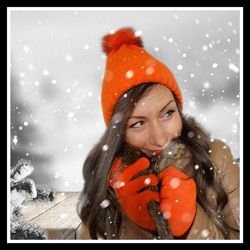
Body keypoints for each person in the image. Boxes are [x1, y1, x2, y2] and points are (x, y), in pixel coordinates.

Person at [77, 27, 240, 240]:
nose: (161, 138)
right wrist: (137, 226)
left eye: (167, 113)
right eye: (138, 124)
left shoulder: (216, 158)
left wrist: (192, 226)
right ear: (118, 133)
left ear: (179, 110)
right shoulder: (106, 178)